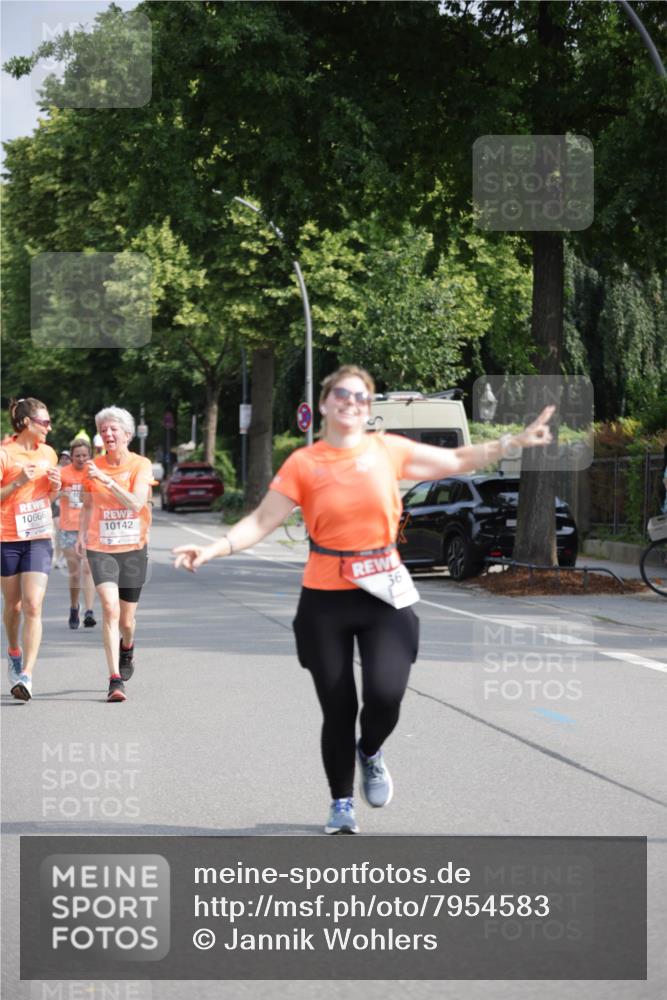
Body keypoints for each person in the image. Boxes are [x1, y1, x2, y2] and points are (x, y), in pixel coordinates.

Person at [173, 365, 555, 834]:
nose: (350, 402)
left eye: (359, 396)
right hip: (324, 600)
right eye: (341, 395)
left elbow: (457, 461)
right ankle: (340, 803)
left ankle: (370, 751)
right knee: (337, 709)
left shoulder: (387, 451)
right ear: (326, 403)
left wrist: (511, 443)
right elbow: (261, 521)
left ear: (368, 408)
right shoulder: (304, 463)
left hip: (383, 592)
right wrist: (214, 548)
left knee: (385, 694)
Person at [77, 407, 152, 702]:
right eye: (103, 429)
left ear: (127, 435)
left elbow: (135, 503)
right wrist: (82, 533)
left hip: (133, 547)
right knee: (109, 608)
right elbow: (86, 505)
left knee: (127, 621)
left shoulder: (140, 465)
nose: (108, 434)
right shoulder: (92, 466)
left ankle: (127, 647)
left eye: (113, 430)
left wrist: (108, 481)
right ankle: (114, 680)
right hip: (101, 546)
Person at [1, 398, 61, 700]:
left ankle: (26, 674)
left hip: (38, 537)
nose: (49, 427)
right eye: (45, 422)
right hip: (7, 538)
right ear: (26, 423)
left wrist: (56, 488)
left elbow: (47, 498)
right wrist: (17, 482)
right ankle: (13, 650)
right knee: (13, 607)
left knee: (33, 604)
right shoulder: (4, 454)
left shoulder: (49, 454)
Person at [58, 439, 97, 629]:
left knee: (88, 569)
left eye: (84, 455)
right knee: (74, 573)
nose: (81, 459)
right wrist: (61, 493)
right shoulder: (63, 473)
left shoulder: (94, 473)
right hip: (69, 527)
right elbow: (50, 493)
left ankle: (89, 611)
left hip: (89, 528)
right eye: (77, 456)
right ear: (71, 456)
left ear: (89, 455)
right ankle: (74, 606)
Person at [52, 450, 72, 569]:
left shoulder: (74, 472)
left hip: (70, 508)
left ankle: (64, 557)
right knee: (59, 532)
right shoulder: (57, 471)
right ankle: (60, 557)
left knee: (66, 533)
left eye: (67, 458)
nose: (64, 460)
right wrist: (61, 493)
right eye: (63, 457)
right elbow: (52, 490)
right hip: (57, 506)